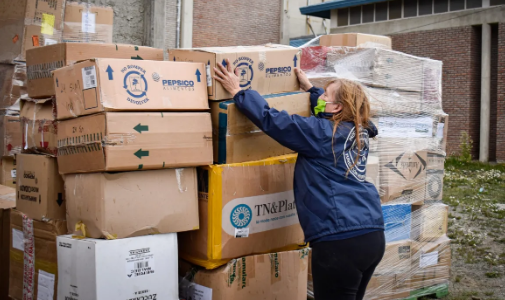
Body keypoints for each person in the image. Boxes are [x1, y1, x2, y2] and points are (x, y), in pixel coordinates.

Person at [214, 59, 385, 300]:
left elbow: (273, 120)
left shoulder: (322, 133)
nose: (322, 98)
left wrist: (239, 92)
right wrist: (310, 90)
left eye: (326, 95)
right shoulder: (358, 131)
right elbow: (330, 112)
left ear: (337, 108)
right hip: (371, 235)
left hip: (340, 240)